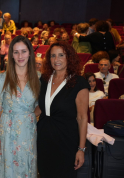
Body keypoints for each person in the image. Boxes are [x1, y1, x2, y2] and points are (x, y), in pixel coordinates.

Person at [0, 36, 40, 178]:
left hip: (28, 130)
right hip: (7, 130)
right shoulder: (2, 79)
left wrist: (27, 115)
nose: (20, 56)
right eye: (16, 52)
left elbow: (41, 106)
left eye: (23, 51)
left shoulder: (39, 78)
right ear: (11, 55)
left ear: (30, 53)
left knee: (27, 165)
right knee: (8, 167)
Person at [36, 41, 89, 177]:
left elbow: (82, 118)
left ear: (69, 57)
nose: (56, 59)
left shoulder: (79, 82)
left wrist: (81, 149)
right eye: (53, 56)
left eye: (61, 55)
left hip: (66, 141)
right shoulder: (44, 79)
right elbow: (43, 108)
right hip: (43, 139)